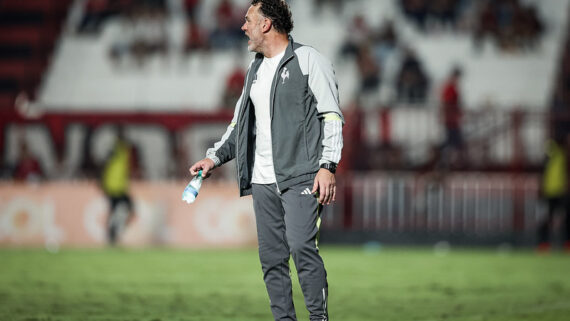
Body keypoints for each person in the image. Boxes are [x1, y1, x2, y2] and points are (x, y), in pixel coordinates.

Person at [189, 1, 343, 320]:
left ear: (266, 24)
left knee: (301, 248)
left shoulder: (309, 60)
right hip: (262, 183)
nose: (243, 26)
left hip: (301, 177)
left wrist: (328, 166)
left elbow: (331, 116)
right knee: (272, 260)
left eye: (248, 20)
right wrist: (213, 158)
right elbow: (239, 124)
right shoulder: (254, 69)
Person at [101, 126, 139, 245]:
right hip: (113, 186)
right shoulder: (116, 148)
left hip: (118, 185)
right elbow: (105, 164)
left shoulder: (121, 148)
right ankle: (113, 233)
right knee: (126, 207)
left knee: (121, 209)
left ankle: (113, 233)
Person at [537, 134, 570, 252]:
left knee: (566, 218)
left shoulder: (564, 154)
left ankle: (566, 243)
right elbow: (543, 169)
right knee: (546, 219)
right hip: (550, 191)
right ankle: (543, 244)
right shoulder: (553, 150)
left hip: (561, 191)